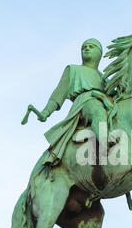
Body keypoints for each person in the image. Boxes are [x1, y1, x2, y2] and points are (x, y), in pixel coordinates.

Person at [40, 38, 110, 166]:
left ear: (99, 54)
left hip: (105, 103)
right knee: (97, 111)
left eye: (91, 46)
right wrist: (46, 112)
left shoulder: (104, 77)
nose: (87, 49)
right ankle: (106, 146)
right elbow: (58, 94)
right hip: (85, 102)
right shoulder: (73, 69)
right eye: (84, 47)